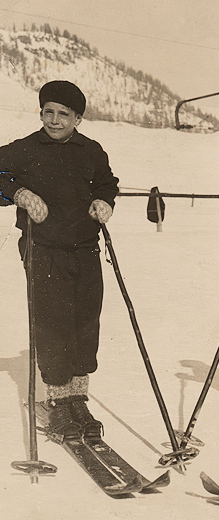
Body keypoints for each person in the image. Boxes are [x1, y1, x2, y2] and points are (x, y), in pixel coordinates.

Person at [0, 80, 119, 441]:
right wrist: (18, 192)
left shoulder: (91, 151)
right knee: (53, 321)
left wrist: (104, 202)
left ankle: (77, 397)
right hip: (44, 249)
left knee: (85, 319)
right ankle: (57, 401)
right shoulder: (25, 148)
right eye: (48, 112)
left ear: (78, 118)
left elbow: (106, 182)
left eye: (63, 114)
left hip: (85, 249)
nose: (54, 120)